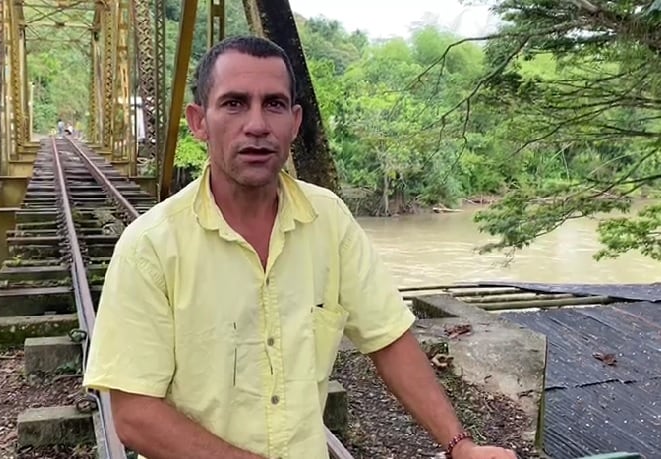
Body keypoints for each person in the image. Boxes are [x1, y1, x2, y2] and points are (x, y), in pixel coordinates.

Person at [83, 36, 519, 459]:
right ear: (199, 121)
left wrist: (461, 445)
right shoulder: (150, 247)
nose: (256, 125)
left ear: (294, 123)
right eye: (234, 103)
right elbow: (135, 415)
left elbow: (389, 339)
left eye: (273, 104)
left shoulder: (328, 219)